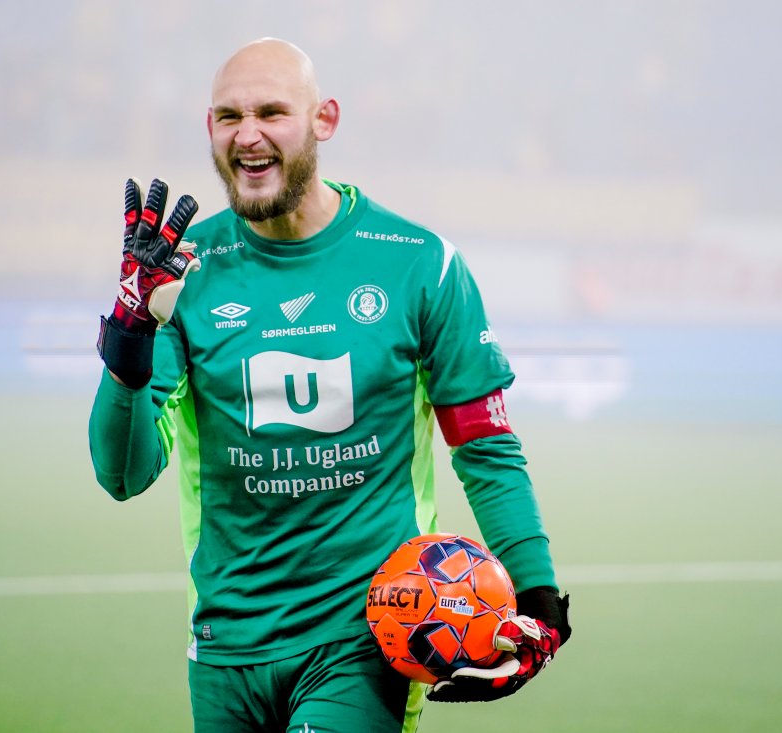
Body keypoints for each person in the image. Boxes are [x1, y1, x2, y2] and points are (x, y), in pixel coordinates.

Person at [89, 37, 571, 733]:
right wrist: (131, 329)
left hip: (364, 642)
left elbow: (486, 447)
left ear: (325, 120)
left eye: (271, 112)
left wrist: (537, 595)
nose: (248, 134)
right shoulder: (181, 276)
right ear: (209, 130)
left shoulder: (419, 265)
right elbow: (123, 471)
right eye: (229, 117)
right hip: (226, 648)